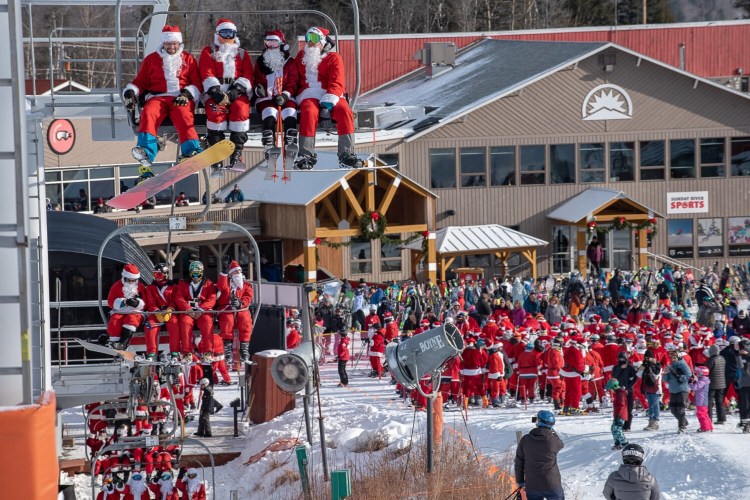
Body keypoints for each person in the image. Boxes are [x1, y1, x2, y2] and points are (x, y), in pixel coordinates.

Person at [123, 25, 202, 178]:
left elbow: (197, 84)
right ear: (163, 43)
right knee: (148, 113)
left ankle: (191, 149)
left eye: (174, 43)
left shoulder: (189, 59)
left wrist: (186, 94)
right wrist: (131, 91)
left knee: (183, 114)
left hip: (180, 97)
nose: (171, 46)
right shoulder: (151, 60)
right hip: (157, 97)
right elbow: (140, 81)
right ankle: (146, 153)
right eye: (168, 43)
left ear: (179, 43)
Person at [293, 27, 362, 169]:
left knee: (344, 111)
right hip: (309, 93)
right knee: (309, 111)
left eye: (315, 39)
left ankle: (346, 153)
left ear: (323, 41)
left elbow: (337, 82)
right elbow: (294, 78)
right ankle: (306, 155)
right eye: (308, 39)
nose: (310, 43)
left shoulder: (334, 58)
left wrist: (327, 105)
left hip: (331, 94)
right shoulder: (301, 57)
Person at [197, 18, 253, 171]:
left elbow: (248, 74)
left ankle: (236, 152)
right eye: (224, 33)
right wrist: (215, 91)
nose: (228, 38)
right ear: (218, 34)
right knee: (215, 114)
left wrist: (238, 90)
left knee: (241, 111)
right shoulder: (209, 51)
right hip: (216, 90)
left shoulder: (242, 54)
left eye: (231, 34)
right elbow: (206, 71)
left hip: (236, 90)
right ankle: (217, 154)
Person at [253, 30, 299, 161]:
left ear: (281, 44)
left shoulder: (289, 62)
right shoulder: (261, 62)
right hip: (267, 98)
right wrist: (258, 89)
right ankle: (269, 144)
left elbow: (293, 82)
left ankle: (290, 143)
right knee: (269, 112)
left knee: (290, 111)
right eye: (268, 43)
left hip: (285, 97)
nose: (271, 46)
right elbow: (256, 80)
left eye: (275, 43)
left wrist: (285, 95)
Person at [514, 410, 565, 500]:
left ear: (538, 422)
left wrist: (520, 481)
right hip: (551, 484)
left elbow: (519, 463)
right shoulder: (553, 441)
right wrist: (551, 430)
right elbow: (561, 444)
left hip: (532, 485)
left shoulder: (525, 440)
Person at [174, 261, 217, 356]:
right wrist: (187, 309)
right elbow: (179, 297)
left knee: (207, 323)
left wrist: (201, 309)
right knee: (185, 323)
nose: (196, 276)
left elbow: (212, 298)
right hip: (188, 311)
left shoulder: (208, 284)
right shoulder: (183, 283)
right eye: (193, 274)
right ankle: (187, 353)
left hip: (202, 311)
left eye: (198, 274)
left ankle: (208, 352)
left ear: (202, 272)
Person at [216, 260, 254, 363]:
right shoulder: (226, 284)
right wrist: (223, 273)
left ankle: (244, 349)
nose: (237, 274)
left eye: (239, 272)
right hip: (226, 308)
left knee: (245, 321)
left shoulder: (246, 285)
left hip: (241, 308)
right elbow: (221, 286)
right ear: (230, 274)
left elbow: (248, 296)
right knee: (228, 322)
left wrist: (241, 303)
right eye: (235, 272)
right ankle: (228, 350)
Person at [142, 263, 180, 360]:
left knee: (174, 324)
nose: (156, 277)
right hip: (156, 313)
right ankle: (151, 353)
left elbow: (175, 300)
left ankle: (174, 352)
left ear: (165, 274)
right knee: (149, 325)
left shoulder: (174, 287)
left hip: (170, 312)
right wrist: (156, 311)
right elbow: (150, 302)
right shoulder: (150, 288)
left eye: (159, 275)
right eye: (155, 275)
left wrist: (170, 309)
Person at [105, 263, 146, 349]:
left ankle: (124, 343)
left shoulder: (141, 287)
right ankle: (114, 343)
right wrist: (124, 302)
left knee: (131, 319)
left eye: (133, 280)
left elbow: (145, 302)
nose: (131, 282)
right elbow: (110, 301)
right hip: (120, 311)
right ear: (124, 277)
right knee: (115, 320)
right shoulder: (116, 286)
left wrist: (137, 303)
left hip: (136, 312)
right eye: (129, 280)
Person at [663, 348, 692, 432]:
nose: (673, 358)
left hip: (682, 390)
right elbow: (665, 379)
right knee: (673, 409)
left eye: (674, 357)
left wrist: (679, 376)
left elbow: (688, 375)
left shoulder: (683, 365)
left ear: (678, 356)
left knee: (680, 409)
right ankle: (684, 421)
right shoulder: (670, 366)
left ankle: (681, 426)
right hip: (673, 390)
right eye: (671, 357)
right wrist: (665, 373)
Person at [639, 349, 663, 431]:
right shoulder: (645, 365)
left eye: (648, 358)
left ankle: (655, 421)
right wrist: (643, 366)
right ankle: (651, 421)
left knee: (655, 405)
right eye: (645, 358)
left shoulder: (657, 365)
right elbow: (638, 374)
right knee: (650, 405)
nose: (647, 360)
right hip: (648, 388)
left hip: (656, 388)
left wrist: (652, 364)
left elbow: (656, 374)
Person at [704, 344, 726, 425]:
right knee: (720, 401)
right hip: (722, 383)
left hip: (712, 383)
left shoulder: (711, 360)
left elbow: (707, 370)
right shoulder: (722, 358)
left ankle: (709, 418)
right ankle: (721, 418)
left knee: (709, 401)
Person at [606, 378, 629, 450]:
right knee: (613, 428)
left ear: (614, 387)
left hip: (621, 415)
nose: (611, 391)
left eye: (611, 389)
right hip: (618, 415)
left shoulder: (620, 394)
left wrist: (618, 415)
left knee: (617, 429)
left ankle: (625, 444)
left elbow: (621, 405)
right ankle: (617, 443)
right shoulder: (618, 393)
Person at [690, 365, 712, 432]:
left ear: (701, 373)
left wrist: (690, 382)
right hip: (703, 400)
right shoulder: (704, 380)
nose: (696, 374)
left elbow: (694, 387)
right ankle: (709, 427)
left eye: (698, 372)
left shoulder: (702, 381)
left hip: (701, 401)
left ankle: (705, 428)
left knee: (701, 414)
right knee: (705, 414)